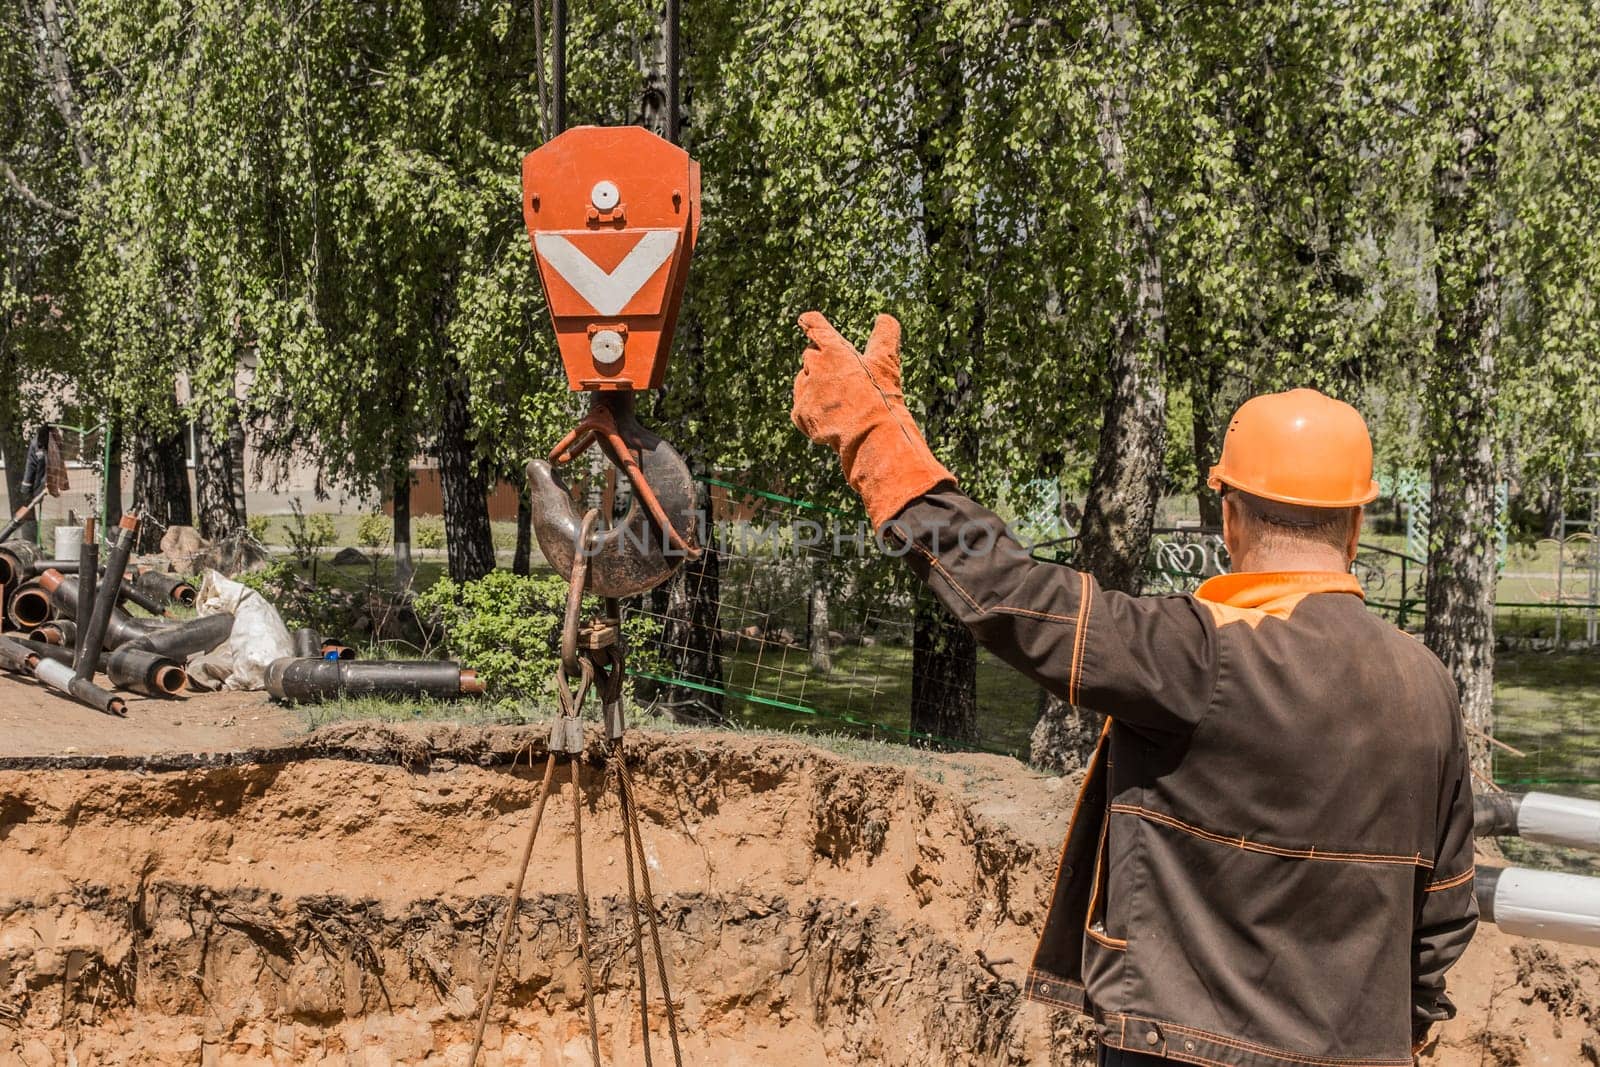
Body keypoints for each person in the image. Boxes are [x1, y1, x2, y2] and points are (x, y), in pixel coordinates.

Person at [789, 312, 1477, 1067]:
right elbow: (1444, 913)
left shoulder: (1193, 657)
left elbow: (1006, 593)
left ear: (1229, 516)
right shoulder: (1429, 687)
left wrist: (876, 443)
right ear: (1353, 528)